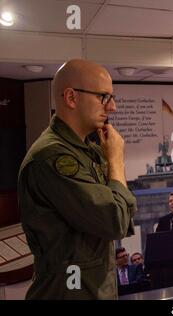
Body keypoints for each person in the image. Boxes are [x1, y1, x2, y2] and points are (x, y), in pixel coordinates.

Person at [17, 59, 136, 299]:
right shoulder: (53, 157)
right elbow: (116, 221)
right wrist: (115, 160)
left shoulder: (85, 150)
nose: (112, 107)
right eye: (103, 97)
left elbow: (124, 210)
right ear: (71, 98)